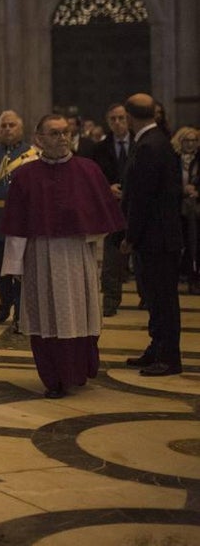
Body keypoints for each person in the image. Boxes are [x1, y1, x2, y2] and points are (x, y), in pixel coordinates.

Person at [1, 115, 125, 399]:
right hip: (40, 256)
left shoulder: (89, 170)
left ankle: (79, 370)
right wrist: (15, 264)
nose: (62, 138)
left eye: (66, 132)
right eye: (54, 133)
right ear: (39, 138)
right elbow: (17, 225)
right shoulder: (24, 175)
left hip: (76, 255)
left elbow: (100, 221)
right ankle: (54, 377)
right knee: (46, 317)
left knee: (78, 314)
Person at [121, 93, 184, 377]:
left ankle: (169, 357)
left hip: (156, 238)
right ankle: (157, 348)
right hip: (159, 235)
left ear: (130, 116)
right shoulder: (157, 140)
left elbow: (142, 199)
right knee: (155, 298)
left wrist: (130, 237)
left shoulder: (149, 146)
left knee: (163, 300)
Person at [0, 110, 38, 327]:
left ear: (21, 128)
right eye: (4, 126)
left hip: (22, 222)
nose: (8, 129)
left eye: (12, 125)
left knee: (21, 268)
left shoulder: (32, 155)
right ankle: (5, 298)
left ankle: (20, 311)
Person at [92, 103, 133, 316]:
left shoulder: (139, 143)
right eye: (113, 119)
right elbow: (94, 176)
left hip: (136, 207)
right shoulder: (101, 148)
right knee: (111, 258)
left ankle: (147, 297)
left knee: (141, 255)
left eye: (121, 118)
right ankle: (110, 298)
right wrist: (107, 187)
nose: (117, 123)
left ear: (128, 119)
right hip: (112, 208)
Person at [171, 127, 200, 293]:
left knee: (194, 243)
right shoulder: (174, 159)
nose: (190, 144)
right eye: (187, 140)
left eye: (194, 140)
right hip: (177, 206)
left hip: (195, 207)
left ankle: (194, 278)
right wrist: (181, 190)